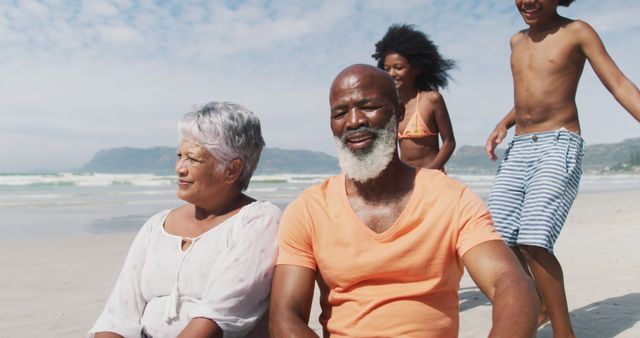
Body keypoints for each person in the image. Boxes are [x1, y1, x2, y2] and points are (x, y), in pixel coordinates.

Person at [269, 64, 539, 338]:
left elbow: (510, 282)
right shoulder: (309, 210)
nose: (353, 121)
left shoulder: (451, 198)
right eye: (340, 113)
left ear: (399, 113)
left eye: (368, 106)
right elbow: (284, 316)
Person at [485, 1, 640, 337]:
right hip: (520, 147)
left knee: (534, 240)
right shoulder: (516, 41)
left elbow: (619, 84)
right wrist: (504, 122)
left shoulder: (576, 32)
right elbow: (532, 93)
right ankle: (539, 304)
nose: (527, 1)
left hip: (559, 144)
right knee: (498, 238)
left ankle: (563, 332)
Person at [88, 102, 281, 338]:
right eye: (179, 156)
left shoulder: (257, 220)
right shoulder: (156, 226)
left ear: (232, 170)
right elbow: (118, 316)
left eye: (193, 158)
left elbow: (215, 319)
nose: (180, 168)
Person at [372, 24, 456, 171]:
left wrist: (429, 173)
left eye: (398, 67)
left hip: (433, 178)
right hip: (405, 182)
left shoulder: (431, 100)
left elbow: (449, 142)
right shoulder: (391, 107)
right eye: (387, 69)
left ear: (416, 69)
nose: (391, 73)